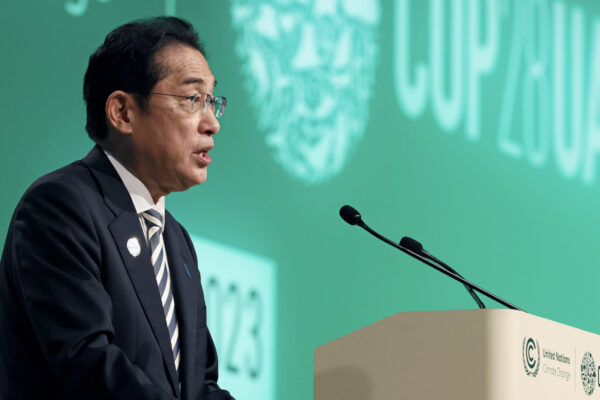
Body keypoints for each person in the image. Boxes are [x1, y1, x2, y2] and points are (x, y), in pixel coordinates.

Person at [0, 17, 234, 400]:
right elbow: (89, 363)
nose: (211, 124)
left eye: (211, 101)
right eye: (192, 99)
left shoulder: (176, 241)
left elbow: (200, 385)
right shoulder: (60, 207)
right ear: (123, 112)